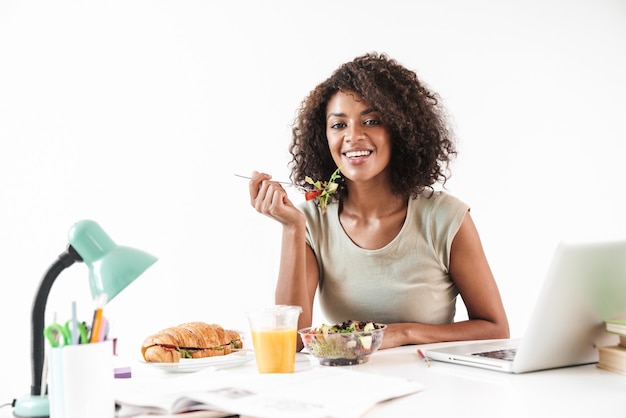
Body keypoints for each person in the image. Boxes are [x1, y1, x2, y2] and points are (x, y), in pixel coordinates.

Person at [247, 52, 509, 350]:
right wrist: (292, 228)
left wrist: (404, 333)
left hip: (433, 389)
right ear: (323, 138)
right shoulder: (311, 221)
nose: (353, 136)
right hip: (350, 389)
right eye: (338, 125)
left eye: (371, 121)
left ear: (399, 129)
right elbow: (291, 342)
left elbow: (495, 328)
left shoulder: (446, 217)